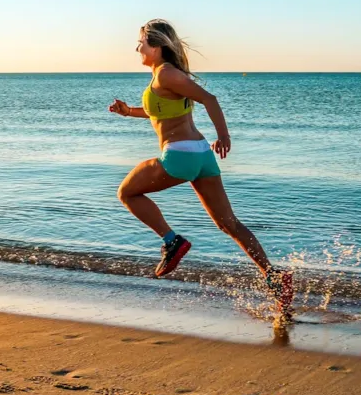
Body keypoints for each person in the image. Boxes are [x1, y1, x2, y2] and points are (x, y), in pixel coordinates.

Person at [108, 19, 294, 319]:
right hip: (200, 155)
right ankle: (273, 276)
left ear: (156, 46)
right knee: (228, 223)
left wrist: (225, 135)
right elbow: (159, 113)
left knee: (127, 192)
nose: (137, 48)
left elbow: (210, 99)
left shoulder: (166, 73)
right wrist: (128, 111)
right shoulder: (165, 75)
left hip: (180, 155)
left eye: (141, 42)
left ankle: (172, 241)